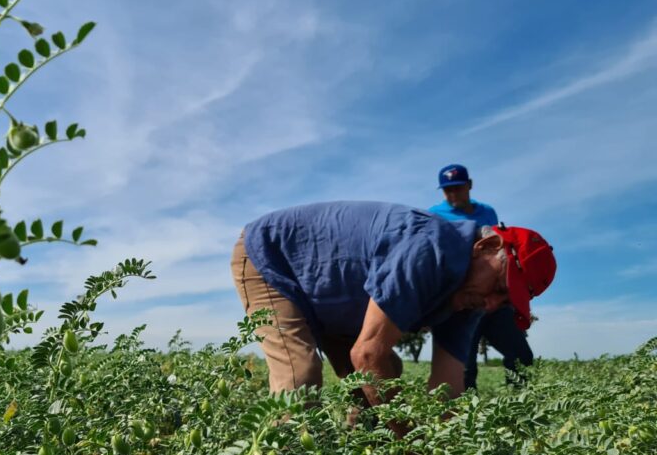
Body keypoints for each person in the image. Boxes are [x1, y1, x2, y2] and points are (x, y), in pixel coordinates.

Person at [230, 201, 556, 413]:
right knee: (299, 378)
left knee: (384, 379)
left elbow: (448, 386)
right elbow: (367, 354)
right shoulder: (430, 250)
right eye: (500, 287)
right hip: (275, 260)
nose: (490, 304)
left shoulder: (474, 300)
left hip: (333, 301)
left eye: (505, 302)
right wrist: (413, 451)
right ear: (486, 246)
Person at [428, 164, 535, 390]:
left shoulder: (488, 212)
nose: (453, 194)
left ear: (469, 185)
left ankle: (520, 409)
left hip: (494, 299)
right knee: (464, 367)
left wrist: (512, 298)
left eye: (458, 188)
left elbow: (501, 253)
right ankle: (466, 420)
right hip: (463, 300)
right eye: (448, 190)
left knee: (521, 355)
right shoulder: (434, 215)